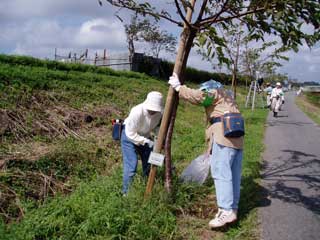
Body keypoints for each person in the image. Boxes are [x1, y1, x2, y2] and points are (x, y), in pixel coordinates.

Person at [168, 73, 244, 228]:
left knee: (221, 173)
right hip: (237, 139)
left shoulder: (214, 92)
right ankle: (232, 209)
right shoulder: (228, 97)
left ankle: (225, 210)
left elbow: (199, 97)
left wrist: (178, 87)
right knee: (233, 174)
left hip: (224, 136)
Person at [121, 91, 163, 195]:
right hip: (129, 136)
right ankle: (126, 193)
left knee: (149, 161)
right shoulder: (137, 111)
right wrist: (147, 142)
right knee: (132, 164)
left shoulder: (159, 114)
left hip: (145, 136)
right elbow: (130, 133)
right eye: (151, 109)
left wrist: (159, 140)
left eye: (155, 109)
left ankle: (146, 185)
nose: (153, 111)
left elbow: (157, 128)